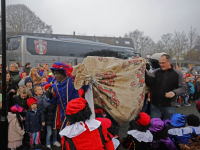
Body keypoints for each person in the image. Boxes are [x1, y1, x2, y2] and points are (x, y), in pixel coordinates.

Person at [145, 54, 187, 120]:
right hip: (155, 105)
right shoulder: (156, 72)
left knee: (168, 127)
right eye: (160, 63)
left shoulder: (177, 73)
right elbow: (149, 82)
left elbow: (184, 87)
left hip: (169, 106)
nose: (161, 65)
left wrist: (174, 92)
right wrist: (143, 71)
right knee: (154, 127)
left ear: (169, 62)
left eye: (163, 63)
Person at [45, 62, 80, 130]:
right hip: (63, 116)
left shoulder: (72, 81)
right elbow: (53, 102)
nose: (55, 76)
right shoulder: (55, 87)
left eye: (57, 73)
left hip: (76, 114)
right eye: (54, 74)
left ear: (63, 73)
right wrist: (50, 97)